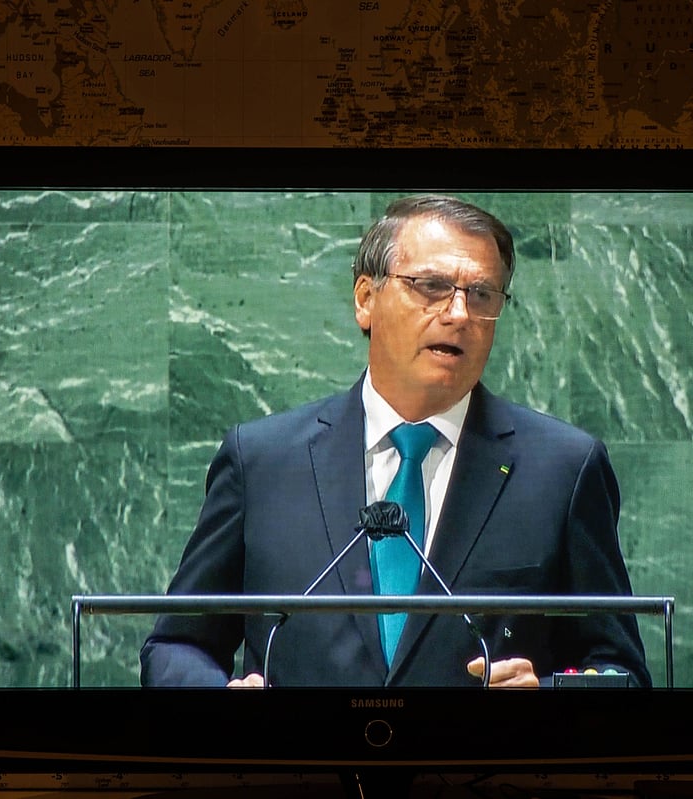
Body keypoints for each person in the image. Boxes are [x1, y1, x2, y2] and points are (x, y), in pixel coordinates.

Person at [140, 194, 650, 689]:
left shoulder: (562, 469)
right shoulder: (263, 462)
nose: (459, 314)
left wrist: (547, 696)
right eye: (431, 286)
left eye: (482, 295)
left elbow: (620, 670)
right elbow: (175, 648)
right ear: (366, 299)